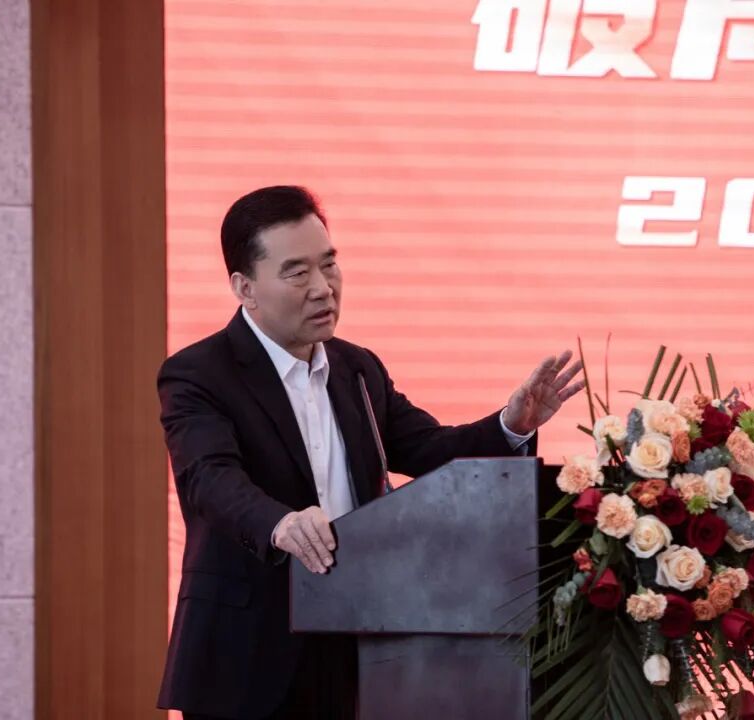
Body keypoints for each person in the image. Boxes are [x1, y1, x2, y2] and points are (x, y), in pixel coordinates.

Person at [155, 185, 585, 719]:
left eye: (329, 264)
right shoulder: (199, 373)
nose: (323, 288)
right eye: (297, 272)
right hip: (246, 654)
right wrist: (280, 523)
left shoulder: (357, 368)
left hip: (356, 641)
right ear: (245, 287)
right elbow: (210, 478)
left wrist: (510, 425)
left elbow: (429, 450)